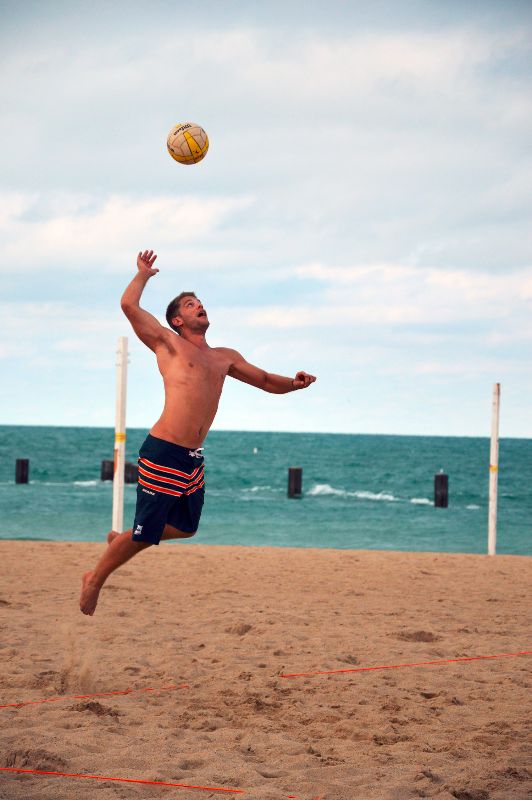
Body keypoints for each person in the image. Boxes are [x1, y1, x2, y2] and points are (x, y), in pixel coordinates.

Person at [80, 250, 316, 615]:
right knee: (146, 533)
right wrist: (143, 275)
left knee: (185, 527)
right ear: (177, 320)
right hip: (163, 450)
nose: (199, 306)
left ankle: (122, 541)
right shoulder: (168, 343)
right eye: (191, 304)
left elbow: (266, 381)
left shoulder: (224, 356)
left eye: (200, 302)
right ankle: (95, 578)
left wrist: (294, 384)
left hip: (192, 457)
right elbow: (128, 305)